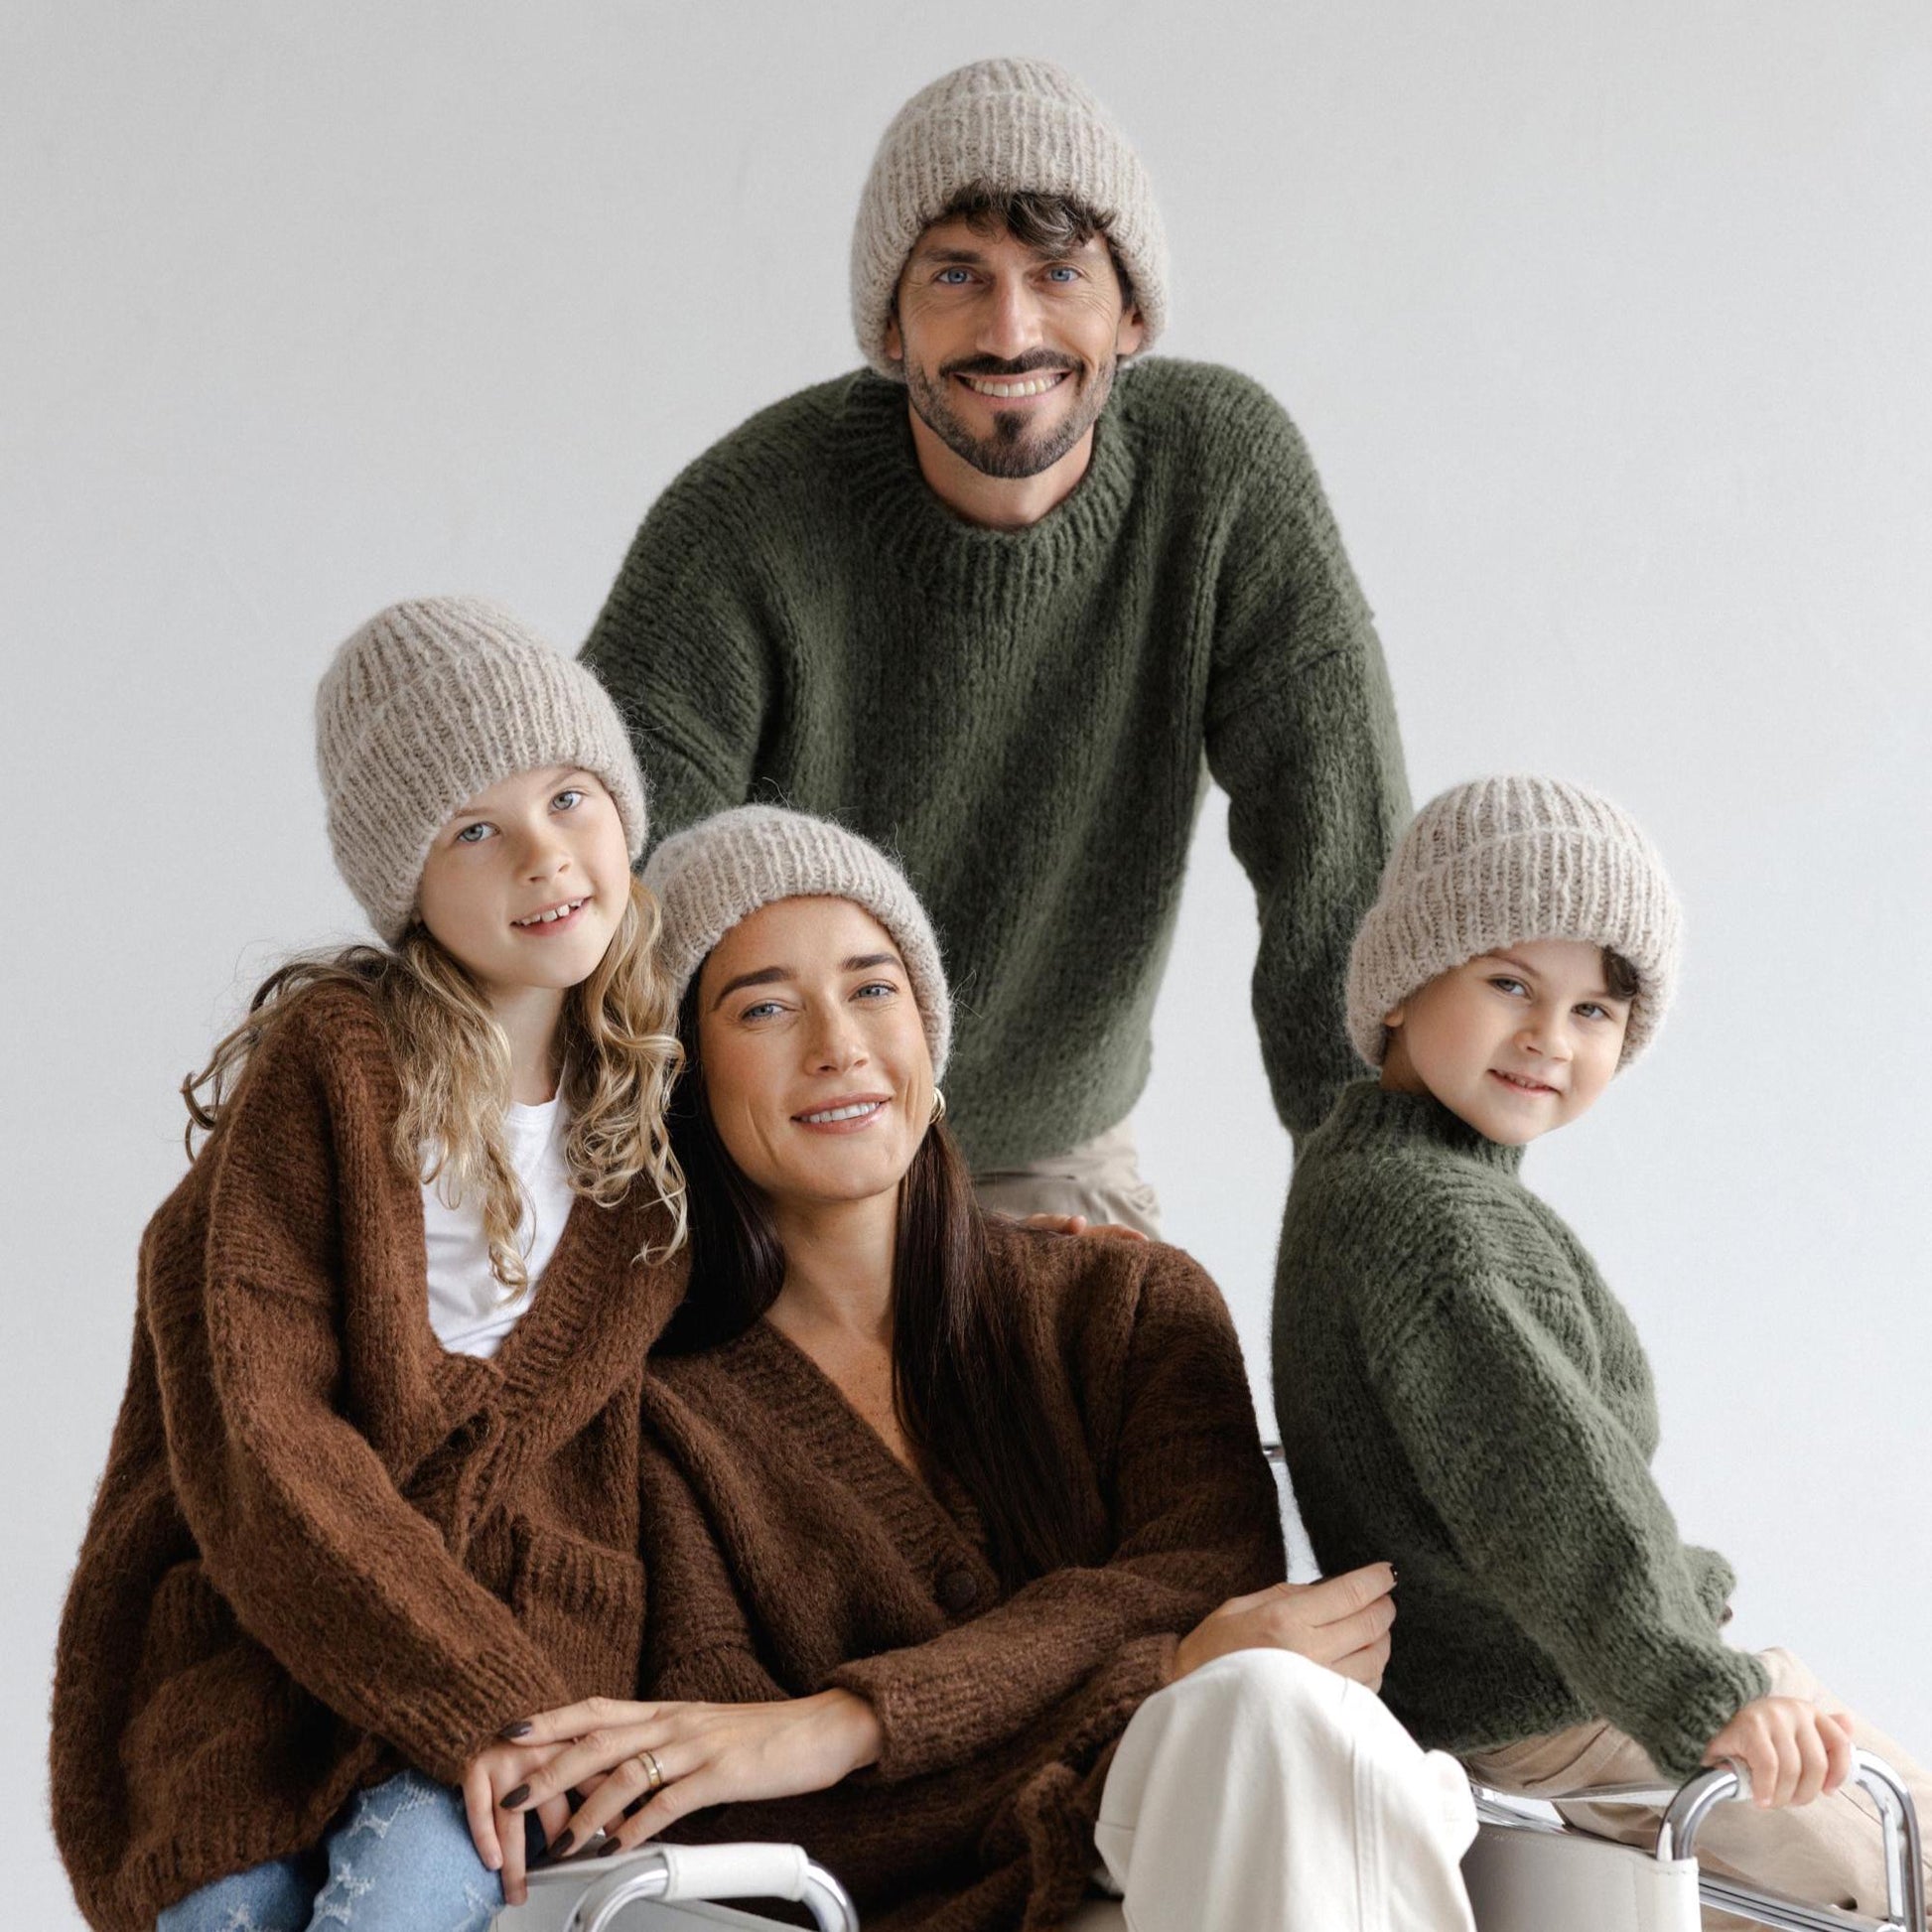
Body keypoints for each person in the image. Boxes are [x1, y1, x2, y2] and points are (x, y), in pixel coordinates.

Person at [464, 804, 1479, 1932]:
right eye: (762, 1005)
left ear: (926, 1027)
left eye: (871, 986)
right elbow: (721, 1814)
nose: (838, 1043)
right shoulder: (646, 1420)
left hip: (1187, 1860)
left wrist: (846, 1724)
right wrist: (1157, 1668)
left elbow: (1207, 1603)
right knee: (1262, 1705)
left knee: (1262, 1705)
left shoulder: (1131, 1308)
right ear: (682, 1074)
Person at [582, 56, 1411, 1233]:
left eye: (1058, 272)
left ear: (1131, 313)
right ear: (888, 321)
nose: (1009, 327)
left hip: (1045, 1153)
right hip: (769, 1157)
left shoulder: (1221, 480)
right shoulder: (743, 521)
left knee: (1136, 1400)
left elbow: (1341, 886)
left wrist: (1386, 1215)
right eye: (956, 275)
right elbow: (603, 896)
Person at [49, 598, 689, 1932]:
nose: (542, 854)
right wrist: (482, 1694)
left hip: (525, 1678)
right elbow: (267, 1429)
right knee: (223, 1907)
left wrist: (514, 1711)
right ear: (406, 880)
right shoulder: (338, 1071)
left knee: (399, 1905)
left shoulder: (652, 1121)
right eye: (475, 829)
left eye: (571, 795)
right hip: (276, 1645)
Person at [1272, 773, 1932, 1920]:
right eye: (1508, 981)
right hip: (1576, 1701)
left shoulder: (1369, 1174)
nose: (1546, 1037)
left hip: (1577, 1682)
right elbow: (1547, 1487)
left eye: (1593, 1010)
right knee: (1911, 1868)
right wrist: (1699, 1687)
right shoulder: (1432, 1220)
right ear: (1402, 980)